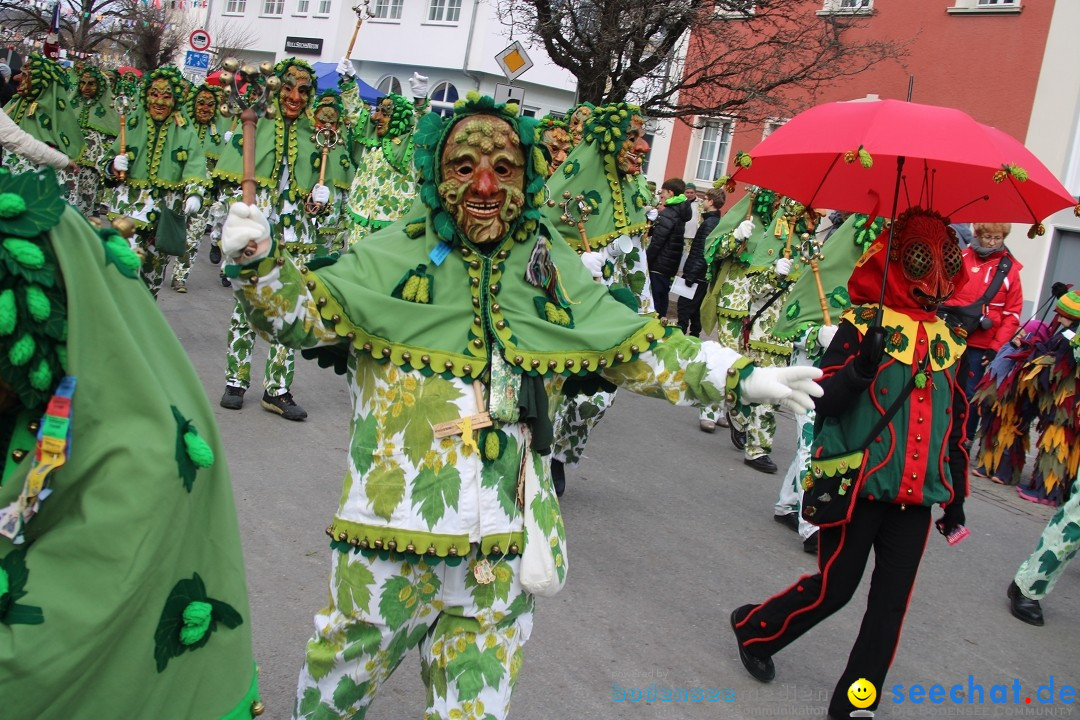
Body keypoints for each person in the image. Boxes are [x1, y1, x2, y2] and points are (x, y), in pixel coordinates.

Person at [218, 93, 822, 720]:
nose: (483, 184)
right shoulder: (391, 256)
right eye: (464, 167)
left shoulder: (549, 267)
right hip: (387, 543)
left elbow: (635, 343)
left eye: (503, 169)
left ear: (527, 178)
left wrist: (738, 375)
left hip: (499, 553)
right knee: (331, 701)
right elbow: (301, 317)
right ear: (437, 171)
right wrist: (256, 263)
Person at [0, 167, 261, 718]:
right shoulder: (25, 396)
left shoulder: (138, 459)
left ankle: (259, 383)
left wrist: (258, 262)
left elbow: (35, 647)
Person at [731, 208, 970, 720]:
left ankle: (855, 705)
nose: (934, 278)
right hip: (859, 485)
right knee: (835, 590)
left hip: (916, 500)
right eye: (922, 261)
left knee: (890, 607)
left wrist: (957, 500)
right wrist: (862, 365)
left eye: (943, 263)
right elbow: (826, 400)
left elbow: (955, 428)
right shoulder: (862, 323)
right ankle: (755, 630)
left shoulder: (950, 341)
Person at [212, 58, 349, 421]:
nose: (294, 96)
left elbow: (331, 199)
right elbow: (229, 183)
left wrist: (321, 202)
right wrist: (238, 218)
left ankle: (277, 390)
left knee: (289, 309)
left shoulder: (317, 137)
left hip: (298, 237)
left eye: (303, 91)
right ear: (276, 89)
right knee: (246, 307)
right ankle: (236, 381)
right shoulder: (256, 126)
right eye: (288, 87)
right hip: (259, 232)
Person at [543, 101, 655, 494]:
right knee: (552, 389)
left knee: (598, 398)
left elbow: (635, 264)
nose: (642, 147)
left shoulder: (630, 196)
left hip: (612, 318)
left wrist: (646, 320)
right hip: (564, 316)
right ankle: (540, 459)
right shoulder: (567, 189)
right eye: (632, 137)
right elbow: (532, 247)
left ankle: (560, 452)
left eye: (642, 137)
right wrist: (572, 260)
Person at [101, 66, 208, 298]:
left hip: (164, 215)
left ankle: (143, 326)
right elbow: (106, 161)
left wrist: (195, 194)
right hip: (129, 210)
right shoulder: (132, 122)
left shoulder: (184, 129)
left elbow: (195, 164)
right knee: (122, 270)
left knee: (152, 278)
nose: (159, 101)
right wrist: (112, 165)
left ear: (176, 99)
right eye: (155, 94)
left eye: (166, 96)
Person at [941, 222, 1022, 443]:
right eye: (988, 237)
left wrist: (996, 347)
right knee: (943, 388)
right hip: (951, 334)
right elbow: (944, 291)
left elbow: (1012, 313)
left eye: (997, 238)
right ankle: (938, 436)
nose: (993, 242)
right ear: (977, 235)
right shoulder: (962, 258)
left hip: (981, 344)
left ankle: (962, 441)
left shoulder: (1009, 269)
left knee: (968, 394)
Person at [338, 61, 428, 247]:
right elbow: (355, 113)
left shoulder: (411, 143)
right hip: (360, 219)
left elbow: (424, 126)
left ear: (398, 118)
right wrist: (348, 81)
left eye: (384, 113)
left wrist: (420, 102)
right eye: (377, 111)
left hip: (393, 225)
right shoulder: (370, 137)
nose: (376, 117)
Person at [68, 65, 118, 215]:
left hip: (92, 165)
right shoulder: (71, 103)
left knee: (84, 202)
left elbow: (113, 137)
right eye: (82, 83)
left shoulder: (110, 108)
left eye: (91, 84)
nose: (85, 88)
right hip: (68, 161)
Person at [676, 186, 725, 336]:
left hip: (696, 274)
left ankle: (681, 338)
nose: (703, 201)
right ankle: (693, 338)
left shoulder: (710, 223)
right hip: (699, 273)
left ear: (711, 202)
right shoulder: (712, 221)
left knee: (684, 308)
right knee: (694, 309)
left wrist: (692, 274)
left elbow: (704, 251)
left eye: (705, 199)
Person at [646, 178, 691, 319]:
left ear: (671, 192)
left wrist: (646, 260)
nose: (662, 197)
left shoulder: (669, 213)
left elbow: (657, 242)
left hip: (659, 263)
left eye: (663, 193)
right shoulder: (680, 212)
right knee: (663, 297)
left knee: (656, 301)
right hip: (669, 264)